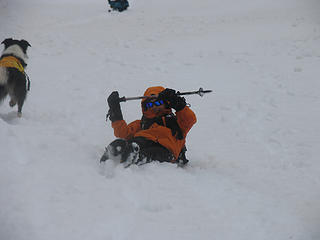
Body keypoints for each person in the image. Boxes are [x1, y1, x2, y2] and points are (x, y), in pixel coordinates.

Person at [100, 86, 197, 166]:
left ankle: (135, 157)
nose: (154, 107)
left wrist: (178, 103)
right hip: (141, 142)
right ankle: (112, 156)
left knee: (149, 153)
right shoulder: (142, 123)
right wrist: (115, 111)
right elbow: (123, 133)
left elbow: (190, 119)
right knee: (126, 143)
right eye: (150, 105)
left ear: (166, 104)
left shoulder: (177, 122)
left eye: (159, 103)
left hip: (165, 150)